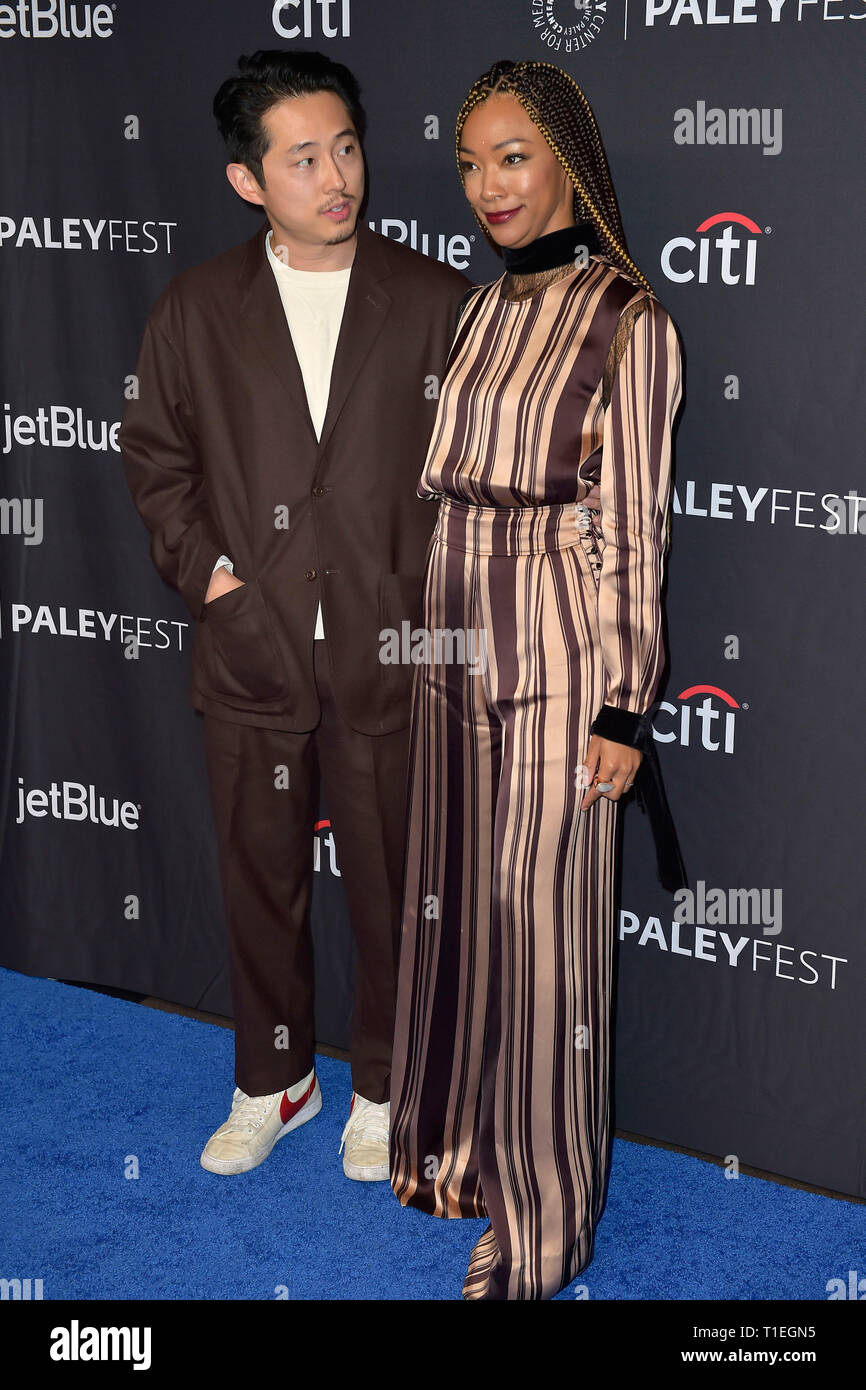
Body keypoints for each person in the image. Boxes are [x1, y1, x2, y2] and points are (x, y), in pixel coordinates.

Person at [119, 50, 469, 1180]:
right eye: (304, 156)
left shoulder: (430, 299)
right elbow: (156, 459)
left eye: (348, 147)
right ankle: (273, 1080)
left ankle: (380, 1084)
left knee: (387, 882)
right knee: (257, 875)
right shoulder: (195, 308)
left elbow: (473, 477)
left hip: (389, 653)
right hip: (253, 653)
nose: (337, 176)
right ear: (247, 180)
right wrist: (212, 578)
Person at [389, 59, 685, 1299]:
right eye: (467, 163)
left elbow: (631, 529)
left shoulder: (631, 321)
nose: (486, 186)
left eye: (510, 155)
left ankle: (544, 1224)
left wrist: (622, 703)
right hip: (453, 629)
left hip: (560, 645)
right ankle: (459, 1149)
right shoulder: (474, 310)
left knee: (541, 933)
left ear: (565, 156)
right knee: (454, 897)